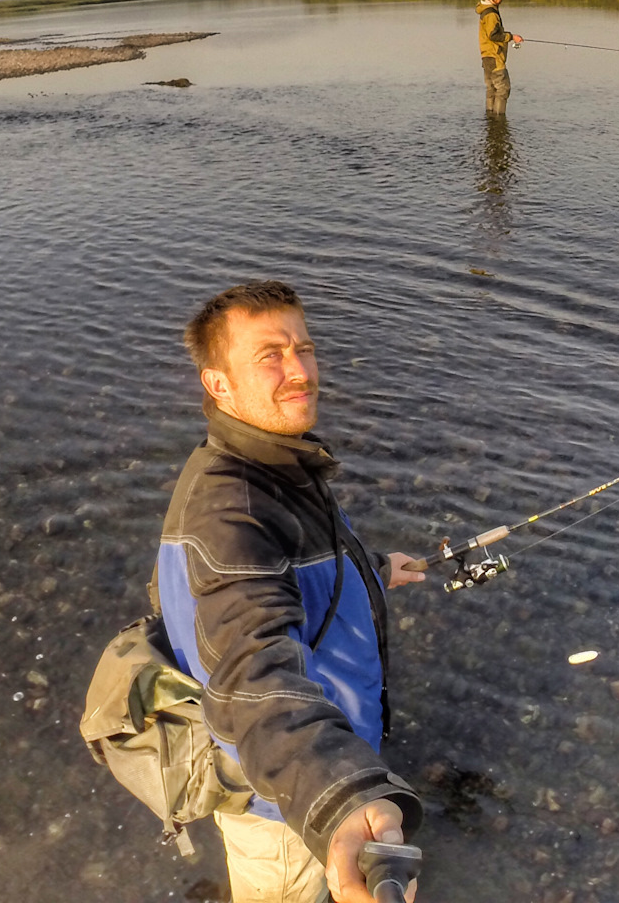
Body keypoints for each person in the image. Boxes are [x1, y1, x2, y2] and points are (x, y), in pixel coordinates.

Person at [155, 280, 426, 903]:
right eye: (269, 356)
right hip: (281, 810)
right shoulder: (229, 514)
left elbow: (294, 578)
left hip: (316, 765)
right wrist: (342, 793)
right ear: (218, 384)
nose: (298, 371)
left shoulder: (277, 464)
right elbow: (253, 675)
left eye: (303, 348)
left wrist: (374, 568)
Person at [476, 0, 523, 114]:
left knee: (491, 89)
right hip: (495, 57)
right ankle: (499, 122)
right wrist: (512, 36)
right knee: (503, 89)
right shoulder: (491, 14)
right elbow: (494, 35)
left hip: (487, 56)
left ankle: (491, 120)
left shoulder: (486, 10)